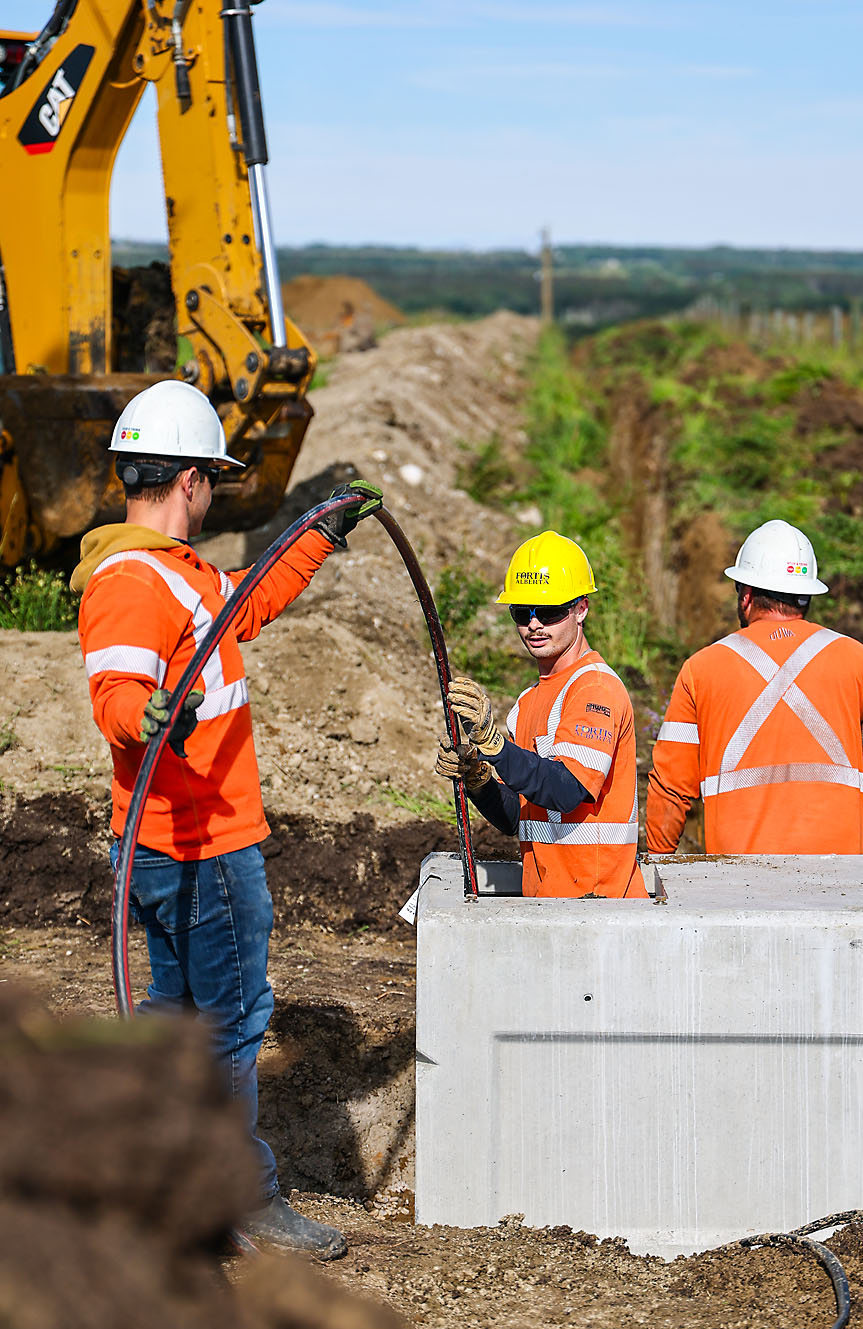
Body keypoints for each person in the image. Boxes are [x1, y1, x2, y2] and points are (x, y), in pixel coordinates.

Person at [73, 378, 381, 1259]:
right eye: (214, 477)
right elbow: (118, 695)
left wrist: (314, 534)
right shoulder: (134, 581)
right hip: (199, 841)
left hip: (181, 840)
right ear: (193, 481)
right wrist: (150, 715)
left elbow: (246, 604)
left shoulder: (181, 575)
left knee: (176, 1014)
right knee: (235, 1015)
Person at [646, 519, 863, 857]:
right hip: (840, 874)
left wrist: (660, 858)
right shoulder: (858, 660)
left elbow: (670, 786)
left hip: (737, 879)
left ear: (746, 595)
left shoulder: (700, 670)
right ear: (806, 597)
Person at [437, 530, 647, 899]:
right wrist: (480, 780)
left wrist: (496, 747)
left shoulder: (594, 688)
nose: (534, 624)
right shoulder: (528, 703)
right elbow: (519, 818)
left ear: (581, 609)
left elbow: (567, 790)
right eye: (522, 612)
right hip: (549, 903)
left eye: (549, 612)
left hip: (600, 906)